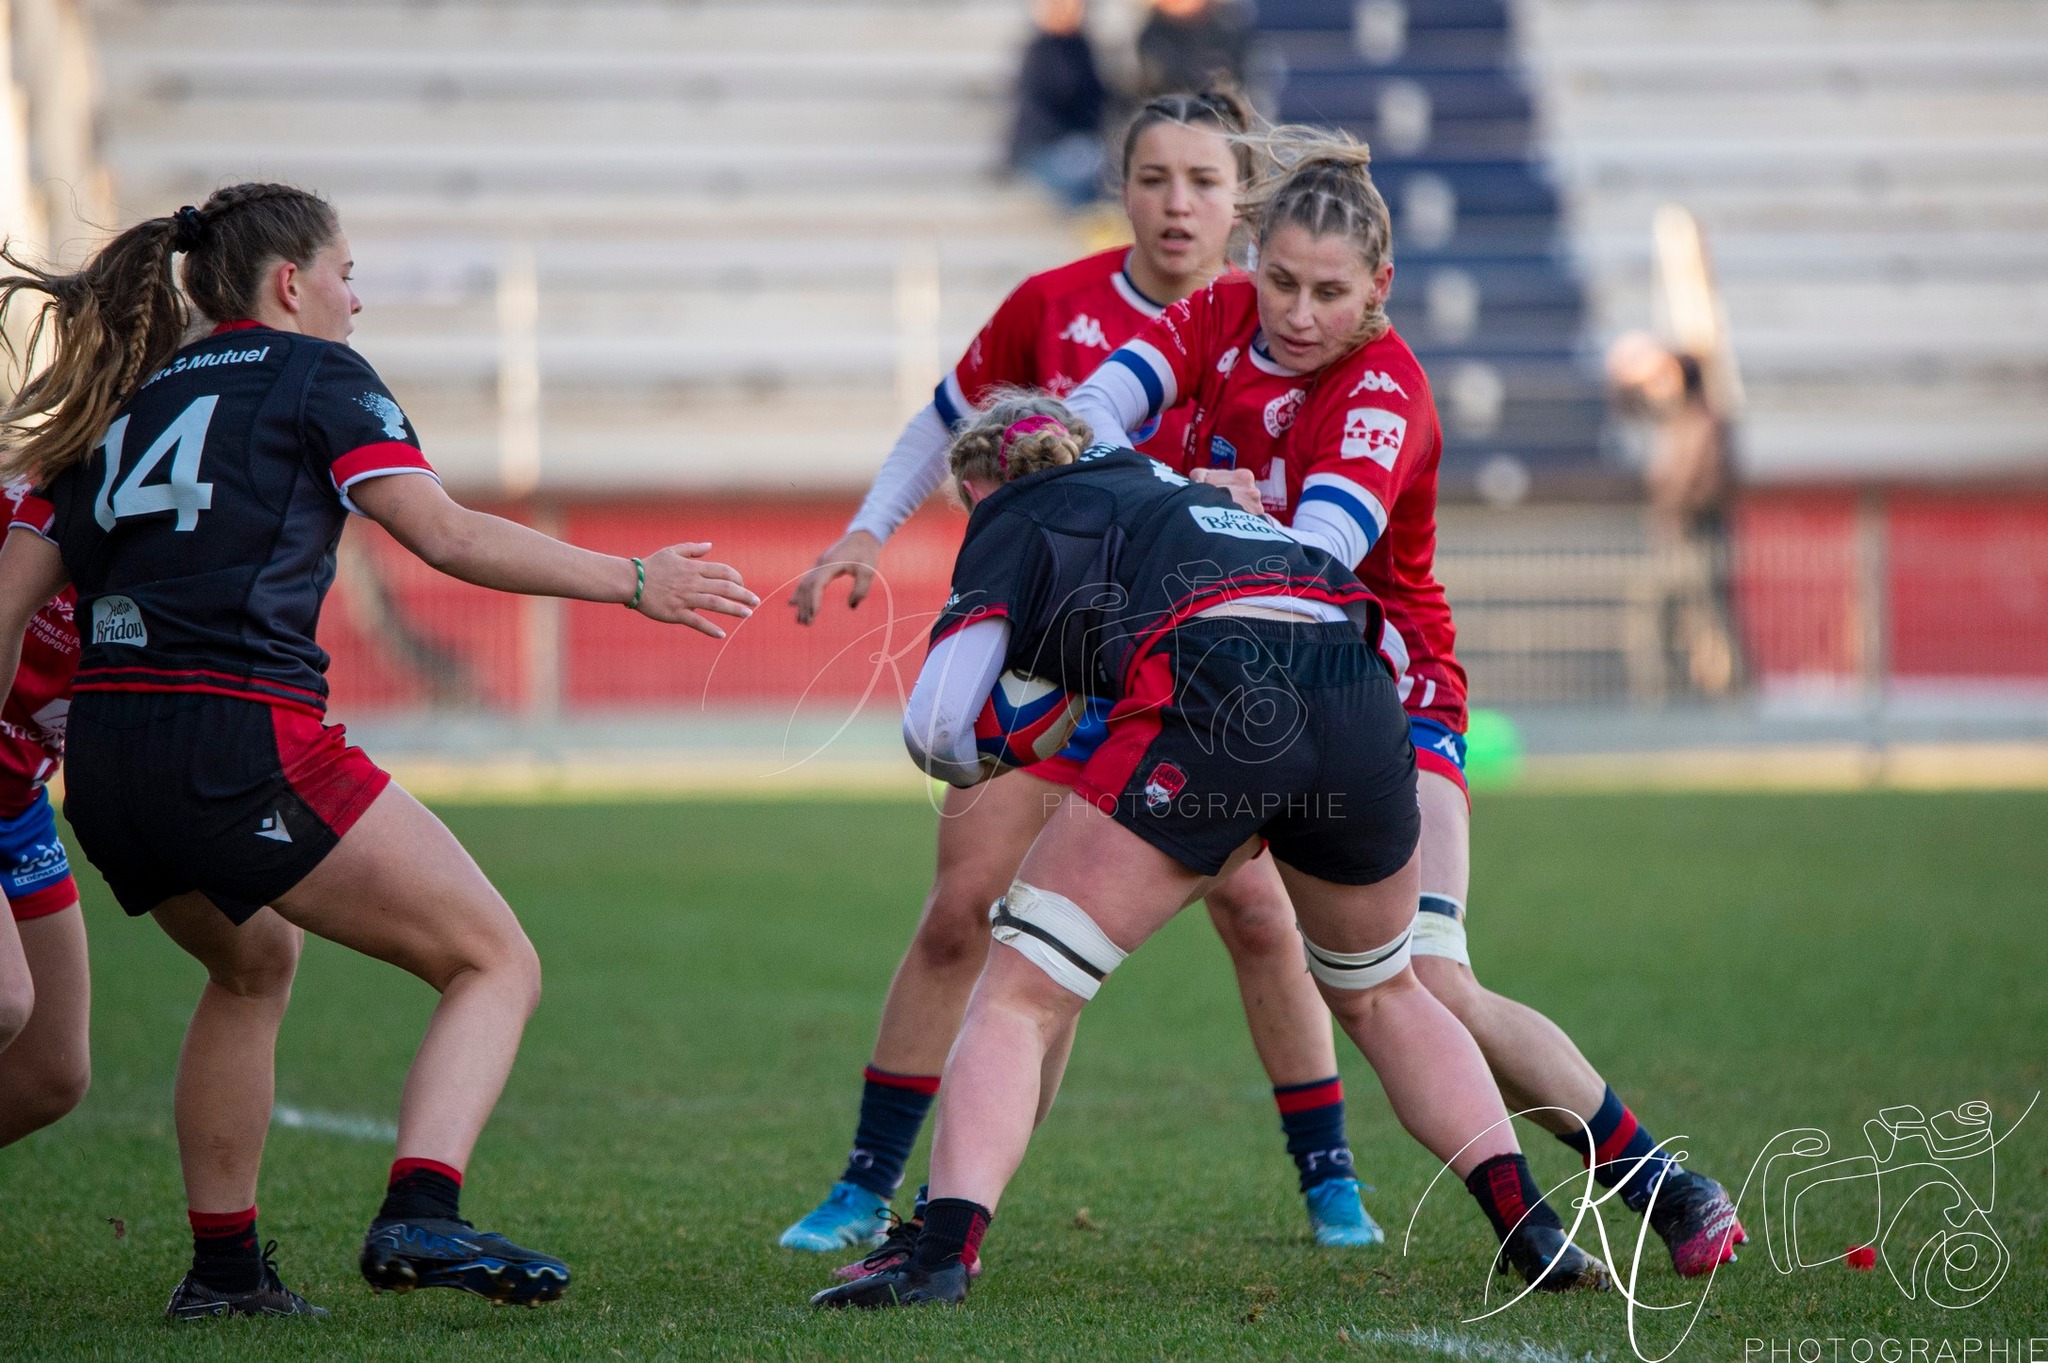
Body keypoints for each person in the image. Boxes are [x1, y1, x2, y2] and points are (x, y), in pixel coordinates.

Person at [0, 183, 760, 1320]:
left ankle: (224, 1275)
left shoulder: (120, 402)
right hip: (240, 736)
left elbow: (9, 608)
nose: (357, 300)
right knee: (494, 960)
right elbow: (441, 531)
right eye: (347, 273)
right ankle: (424, 1206)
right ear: (290, 283)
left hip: (104, 763)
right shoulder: (319, 375)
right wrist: (633, 580)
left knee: (252, 963)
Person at [1067, 128, 1746, 1279]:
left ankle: (1661, 1185)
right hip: (1232, 696)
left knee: (1428, 980)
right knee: (1024, 928)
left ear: (1378, 289)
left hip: (1380, 700)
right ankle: (928, 1200)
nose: (1294, 311)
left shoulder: (1383, 389)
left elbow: (1317, 559)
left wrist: (1188, 508)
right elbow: (1083, 416)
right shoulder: (1207, 317)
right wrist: (1173, 483)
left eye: (1328, 292)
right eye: (1277, 281)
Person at [812, 396, 1612, 1309]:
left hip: (1223, 692)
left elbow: (936, 728)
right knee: (1386, 991)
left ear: (975, 483)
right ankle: (1532, 1226)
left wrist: (1022, 735)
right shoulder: (1174, 485)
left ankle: (938, 1254)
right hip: (1357, 695)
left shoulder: (1014, 508)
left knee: (1023, 991)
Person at [784, 91, 1387, 1260]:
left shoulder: (1276, 327)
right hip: (1049, 667)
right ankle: (867, 1184)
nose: (1176, 204)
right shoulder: (1054, 305)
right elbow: (943, 421)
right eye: (1153, 177)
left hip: (1201, 679)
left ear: (1241, 203)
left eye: (1203, 182)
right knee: (967, 911)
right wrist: (867, 528)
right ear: (1121, 187)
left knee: (1260, 915)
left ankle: (1330, 1183)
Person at [0, 480, 87, 1150]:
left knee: (53, 1072)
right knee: (5, 998)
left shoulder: (171, 535)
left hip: (22, 804)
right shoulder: (22, 506)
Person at [1010, 0, 1111, 210]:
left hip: (1080, 144)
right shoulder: (1038, 51)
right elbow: (1040, 114)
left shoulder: (1082, 48)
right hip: (1043, 148)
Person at [1136, 0, 1254, 100]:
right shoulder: (1152, 36)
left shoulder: (1225, 30)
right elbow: (1159, 84)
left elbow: (1238, 83)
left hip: (1218, 113)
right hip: (1168, 112)